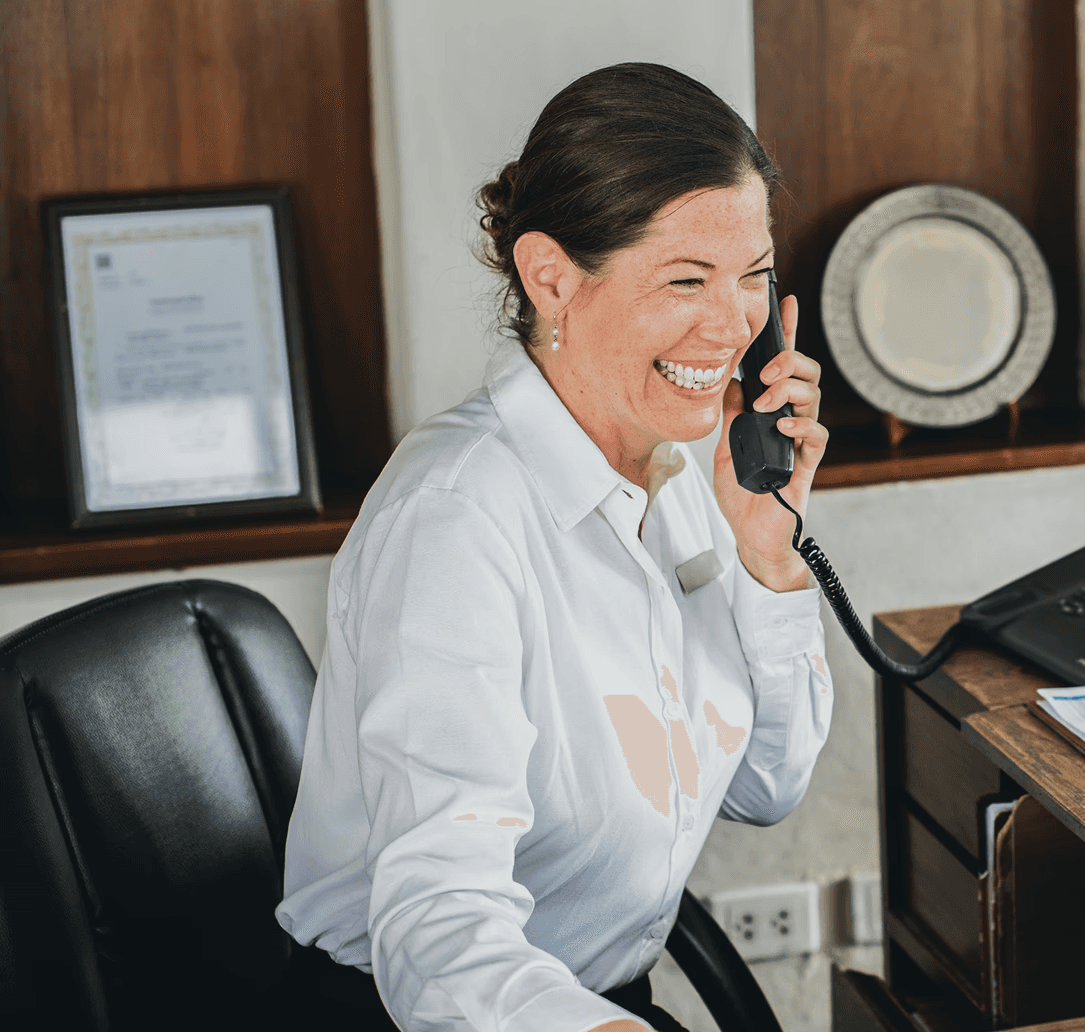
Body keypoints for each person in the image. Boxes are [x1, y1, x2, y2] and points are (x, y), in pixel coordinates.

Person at [275, 63, 833, 1032]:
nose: (732, 324)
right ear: (551, 279)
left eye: (752, 276)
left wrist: (768, 561)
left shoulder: (677, 469)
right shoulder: (457, 520)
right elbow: (439, 931)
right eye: (685, 280)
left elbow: (763, 786)